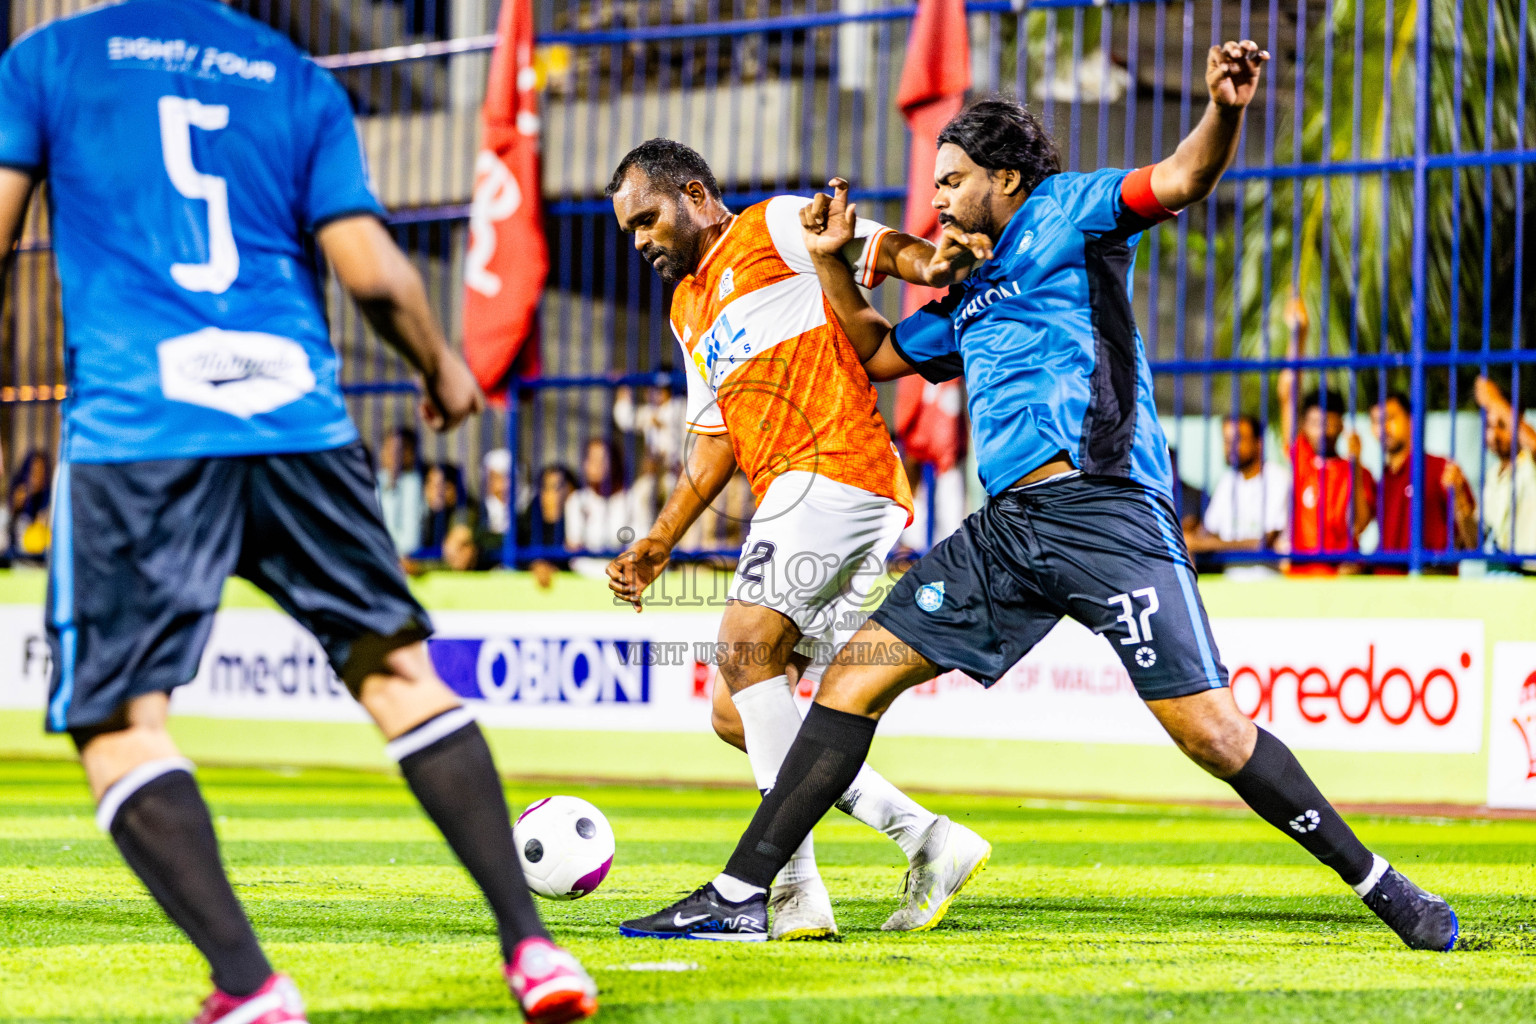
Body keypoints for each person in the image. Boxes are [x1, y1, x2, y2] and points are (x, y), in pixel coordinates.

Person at [620, 46, 1460, 956]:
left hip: (1105, 512)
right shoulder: (969, 291)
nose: (936, 198)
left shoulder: (1074, 211)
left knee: (1213, 735)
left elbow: (1181, 177)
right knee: (850, 685)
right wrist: (831, 266)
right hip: (1005, 532)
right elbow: (876, 354)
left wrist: (1223, 108)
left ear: (1006, 177)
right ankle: (751, 890)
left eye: (952, 181)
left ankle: (1382, 884)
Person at [0, 3, 596, 1022]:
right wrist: (442, 364)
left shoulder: (46, 60)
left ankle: (247, 984)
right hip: (299, 419)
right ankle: (534, 951)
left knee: (115, 722)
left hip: (146, 427)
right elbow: (368, 269)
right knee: (399, 675)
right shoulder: (293, 75)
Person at [605, 138, 990, 940]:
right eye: (629, 230)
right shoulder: (686, 311)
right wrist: (662, 539)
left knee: (742, 649)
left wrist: (938, 268)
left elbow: (876, 246)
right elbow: (712, 441)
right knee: (737, 708)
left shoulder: (772, 225)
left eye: (647, 218)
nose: (640, 240)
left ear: (695, 194)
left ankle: (780, 894)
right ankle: (928, 840)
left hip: (834, 466)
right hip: (814, 491)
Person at [1276, 301, 1375, 574]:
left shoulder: (1357, 471)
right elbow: (1287, 393)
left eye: (1329, 422)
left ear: (1341, 425)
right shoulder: (1301, 458)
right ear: (1304, 427)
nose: (1322, 429)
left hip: (1341, 581)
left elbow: (1359, 525)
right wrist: (1299, 337)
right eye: (1314, 423)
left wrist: (1355, 463)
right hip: (1299, 577)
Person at [1368, 392, 1477, 574]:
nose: (1383, 428)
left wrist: (1458, 496)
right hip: (1385, 590)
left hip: (1430, 586)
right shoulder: (1384, 479)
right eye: (1375, 421)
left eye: (1390, 418)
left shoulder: (1439, 469)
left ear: (1411, 421)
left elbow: (1472, 541)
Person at [1184, 414, 1291, 578]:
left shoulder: (1278, 479)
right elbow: (1210, 531)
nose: (1230, 447)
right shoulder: (1227, 482)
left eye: (1238, 439)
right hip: (1231, 585)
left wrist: (1205, 544)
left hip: (1269, 585)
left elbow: (1263, 543)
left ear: (1259, 443)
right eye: (1226, 441)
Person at [564, 437, 655, 577]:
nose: (596, 464)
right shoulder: (576, 501)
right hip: (586, 575)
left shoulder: (633, 499)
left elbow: (642, 544)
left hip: (628, 574)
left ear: (615, 463)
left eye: (603, 458)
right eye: (591, 458)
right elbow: (574, 549)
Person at [1473, 376, 1536, 573]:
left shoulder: (1529, 463)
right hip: (1499, 576)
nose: (1494, 435)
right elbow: (1477, 538)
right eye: (1489, 426)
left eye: (1502, 425)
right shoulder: (1492, 475)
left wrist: (1494, 401)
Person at [444, 448, 514, 571]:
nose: (502, 485)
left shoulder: (526, 511)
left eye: (506, 477)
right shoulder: (477, 509)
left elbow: (517, 539)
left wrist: (475, 540)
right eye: (495, 478)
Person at [518, 464, 577, 588]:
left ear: (571, 490)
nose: (553, 493)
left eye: (559, 487)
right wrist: (534, 566)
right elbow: (514, 555)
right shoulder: (528, 522)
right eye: (546, 487)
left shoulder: (580, 523)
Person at [376, 426, 424, 557]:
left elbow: (411, 540)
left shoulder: (416, 485)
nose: (392, 454)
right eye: (388, 448)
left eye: (398, 449)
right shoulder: (374, 482)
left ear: (410, 454)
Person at [8, 449, 52, 563]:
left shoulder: (49, 498)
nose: (38, 476)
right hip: (17, 557)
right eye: (34, 471)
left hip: (40, 558)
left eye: (42, 471)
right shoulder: (19, 494)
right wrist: (16, 507)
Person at [419, 461, 468, 557]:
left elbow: (454, 557)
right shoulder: (428, 517)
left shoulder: (464, 515)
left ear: (455, 489)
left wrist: (416, 566)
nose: (435, 492)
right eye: (430, 485)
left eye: (443, 486)